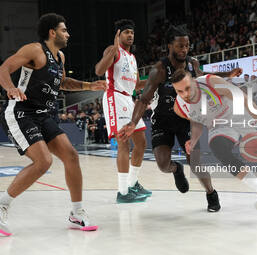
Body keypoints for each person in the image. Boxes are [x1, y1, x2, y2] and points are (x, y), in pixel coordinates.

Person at [0, 13, 107, 236]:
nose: (68, 34)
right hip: (21, 111)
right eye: (64, 30)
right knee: (43, 162)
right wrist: (10, 88)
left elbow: (62, 82)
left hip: (43, 114)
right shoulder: (34, 50)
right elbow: (3, 69)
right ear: (52, 32)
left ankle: (77, 213)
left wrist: (89, 86)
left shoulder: (61, 58)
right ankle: (2, 205)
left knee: (71, 156)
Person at [119, 26, 241, 212]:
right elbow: (144, 99)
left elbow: (204, 77)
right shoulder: (159, 70)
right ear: (170, 46)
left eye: (187, 46)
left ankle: (211, 193)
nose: (184, 49)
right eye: (180, 46)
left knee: (196, 161)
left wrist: (227, 75)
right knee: (162, 164)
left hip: (186, 119)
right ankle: (176, 169)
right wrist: (133, 123)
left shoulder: (192, 64)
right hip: (163, 120)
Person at [171, 69, 257, 209]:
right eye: (179, 91)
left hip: (238, 114)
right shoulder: (179, 108)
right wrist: (194, 139)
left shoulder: (211, 82)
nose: (185, 94)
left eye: (187, 88)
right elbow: (196, 122)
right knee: (219, 149)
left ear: (194, 81)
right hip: (218, 126)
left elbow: (244, 98)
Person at [95, 19, 151, 203]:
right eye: (126, 32)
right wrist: (113, 47)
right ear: (118, 35)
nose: (130, 35)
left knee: (141, 142)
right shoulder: (113, 51)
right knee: (124, 143)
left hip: (128, 98)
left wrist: (154, 81)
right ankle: (123, 192)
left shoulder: (132, 58)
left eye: (132, 33)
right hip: (114, 96)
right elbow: (98, 70)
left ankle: (133, 183)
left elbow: (135, 85)